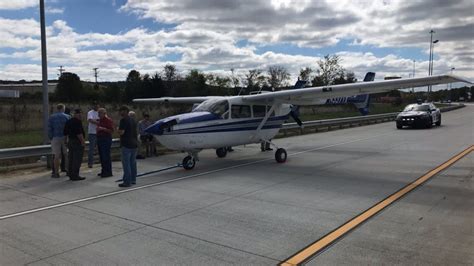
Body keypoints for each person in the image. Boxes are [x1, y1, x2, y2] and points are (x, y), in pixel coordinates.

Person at [47, 103, 70, 178]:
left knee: (56, 156)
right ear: (63, 108)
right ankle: (68, 171)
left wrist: (51, 137)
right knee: (66, 154)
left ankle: (56, 173)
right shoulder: (67, 117)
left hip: (55, 137)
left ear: (57, 109)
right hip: (65, 137)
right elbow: (69, 128)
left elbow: (49, 129)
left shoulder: (52, 117)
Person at [64, 109, 86, 181]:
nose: (80, 115)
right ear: (76, 114)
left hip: (70, 140)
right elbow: (79, 133)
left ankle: (70, 174)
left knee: (71, 158)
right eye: (79, 114)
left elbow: (65, 132)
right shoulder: (77, 122)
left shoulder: (69, 121)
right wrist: (82, 142)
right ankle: (75, 175)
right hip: (77, 141)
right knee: (77, 159)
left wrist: (65, 141)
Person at [118, 106, 138, 187]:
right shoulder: (133, 120)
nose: (120, 113)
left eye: (121, 111)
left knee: (126, 164)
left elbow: (121, 132)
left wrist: (117, 129)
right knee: (132, 163)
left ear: (125, 111)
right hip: (134, 143)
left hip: (126, 144)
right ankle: (133, 179)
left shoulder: (123, 120)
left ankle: (127, 181)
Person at [96, 108, 114, 178]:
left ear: (104, 113)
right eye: (98, 113)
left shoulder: (108, 120)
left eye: (100, 113)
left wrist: (103, 129)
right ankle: (104, 170)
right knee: (101, 156)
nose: (99, 115)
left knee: (105, 155)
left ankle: (108, 171)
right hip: (100, 138)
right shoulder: (100, 120)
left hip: (106, 139)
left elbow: (111, 130)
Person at [87, 102, 100, 168]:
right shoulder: (90, 112)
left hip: (99, 132)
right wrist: (98, 123)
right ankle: (90, 163)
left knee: (100, 148)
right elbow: (90, 120)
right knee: (91, 148)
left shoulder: (100, 112)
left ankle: (100, 161)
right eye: (95, 106)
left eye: (97, 106)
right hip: (92, 132)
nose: (96, 107)